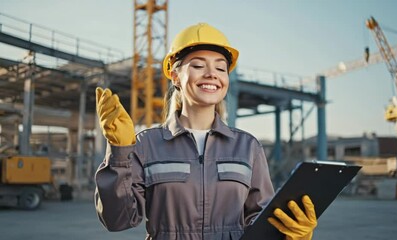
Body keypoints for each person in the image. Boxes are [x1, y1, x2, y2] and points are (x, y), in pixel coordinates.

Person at [94, 22, 317, 240]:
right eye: (198, 65)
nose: (212, 74)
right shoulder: (147, 144)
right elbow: (118, 220)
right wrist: (120, 153)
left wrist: (291, 235)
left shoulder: (248, 147)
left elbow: (259, 223)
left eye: (221, 68)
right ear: (175, 76)